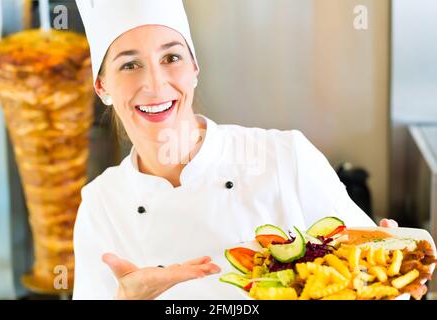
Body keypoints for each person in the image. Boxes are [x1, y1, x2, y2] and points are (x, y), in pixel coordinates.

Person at [73, 0, 397, 300]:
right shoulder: (100, 206)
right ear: (102, 86)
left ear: (194, 68)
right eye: (130, 65)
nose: (155, 85)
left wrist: (392, 273)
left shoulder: (287, 158)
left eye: (171, 58)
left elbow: (375, 279)